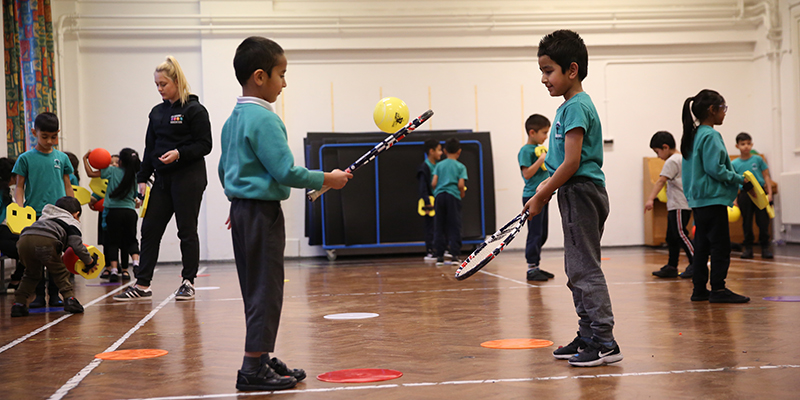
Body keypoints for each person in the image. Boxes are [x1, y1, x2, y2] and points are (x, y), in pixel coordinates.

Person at [218, 36, 351, 391]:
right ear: (260, 77)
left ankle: (260, 357)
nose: (285, 83)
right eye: (282, 74)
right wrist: (329, 178)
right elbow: (286, 172)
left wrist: (238, 201)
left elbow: (223, 169)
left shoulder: (234, 118)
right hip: (260, 215)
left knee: (254, 288)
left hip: (243, 211)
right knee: (267, 289)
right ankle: (251, 369)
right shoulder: (264, 118)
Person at [523, 30, 622, 367]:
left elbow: (572, 162)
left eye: (548, 70)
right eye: (542, 70)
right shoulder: (570, 107)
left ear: (572, 70)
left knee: (585, 270)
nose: (543, 78)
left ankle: (605, 341)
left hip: (581, 192)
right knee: (574, 269)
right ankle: (588, 334)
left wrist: (541, 193)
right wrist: (547, 190)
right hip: (573, 192)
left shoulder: (576, 107)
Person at [114, 56, 212, 301]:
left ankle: (188, 281)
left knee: (186, 230)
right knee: (149, 229)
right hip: (163, 179)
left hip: (189, 178)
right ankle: (143, 284)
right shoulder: (157, 113)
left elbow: (205, 144)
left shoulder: (194, 109)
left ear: (177, 81)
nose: (159, 89)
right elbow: (150, 148)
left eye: (163, 84)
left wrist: (179, 153)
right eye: (156, 84)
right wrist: (142, 178)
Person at [681, 89, 750, 303]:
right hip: (713, 199)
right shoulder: (710, 135)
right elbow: (716, 169)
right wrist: (740, 180)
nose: (724, 113)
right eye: (723, 108)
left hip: (699, 201)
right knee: (720, 247)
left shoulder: (693, 134)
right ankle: (719, 289)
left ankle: (699, 289)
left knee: (702, 246)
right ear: (712, 110)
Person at [12, 112, 75, 308]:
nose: (49, 141)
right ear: (34, 133)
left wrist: (72, 211)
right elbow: (19, 186)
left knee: (57, 256)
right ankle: (38, 296)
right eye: (44, 136)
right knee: (35, 258)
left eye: (53, 136)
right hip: (35, 214)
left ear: (58, 133)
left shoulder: (62, 158)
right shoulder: (25, 158)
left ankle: (55, 294)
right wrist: (20, 208)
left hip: (58, 215)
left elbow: (68, 185)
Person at [10, 197, 96, 317]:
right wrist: (89, 261)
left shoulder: (44, 217)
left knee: (31, 274)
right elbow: (77, 246)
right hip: (45, 241)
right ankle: (69, 299)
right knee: (60, 271)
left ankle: (19, 304)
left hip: (24, 240)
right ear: (76, 214)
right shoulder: (71, 222)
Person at [84, 148, 141, 283]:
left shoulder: (112, 171)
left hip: (114, 212)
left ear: (120, 161)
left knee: (113, 242)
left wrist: (85, 159)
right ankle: (136, 264)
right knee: (131, 239)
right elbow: (134, 196)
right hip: (130, 212)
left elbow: (91, 173)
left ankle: (114, 270)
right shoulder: (133, 174)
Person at [644, 131, 695, 278]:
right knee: (671, 237)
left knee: (680, 235)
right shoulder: (683, 158)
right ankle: (672, 266)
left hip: (680, 204)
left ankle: (696, 263)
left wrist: (650, 199)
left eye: (657, 152)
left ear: (665, 147)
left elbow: (661, 180)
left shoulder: (672, 160)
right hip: (677, 205)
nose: (658, 156)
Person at [519, 114, 554, 281]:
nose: (546, 136)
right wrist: (540, 159)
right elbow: (527, 174)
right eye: (544, 132)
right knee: (535, 233)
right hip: (532, 196)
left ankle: (536, 265)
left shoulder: (543, 149)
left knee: (542, 234)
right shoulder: (525, 151)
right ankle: (531, 267)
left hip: (543, 196)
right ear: (532, 132)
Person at [731, 132, 773, 259]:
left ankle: (765, 247)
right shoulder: (735, 163)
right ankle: (748, 248)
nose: (746, 146)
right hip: (745, 194)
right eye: (743, 144)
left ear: (752, 144)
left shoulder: (758, 159)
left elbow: (766, 175)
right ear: (737, 146)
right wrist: (734, 198)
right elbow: (733, 182)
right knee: (747, 222)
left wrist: (769, 193)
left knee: (763, 221)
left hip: (760, 192)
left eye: (748, 143)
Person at [433, 138, 467, 266]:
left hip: (440, 196)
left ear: (445, 151)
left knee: (439, 225)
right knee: (454, 225)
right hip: (453, 196)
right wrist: (461, 194)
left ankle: (440, 256)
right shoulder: (460, 166)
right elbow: (461, 184)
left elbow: (434, 182)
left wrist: (438, 191)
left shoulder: (439, 165)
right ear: (459, 151)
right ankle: (454, 255)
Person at [0, 157, 25, 292]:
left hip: (6, 230)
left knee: (28, 244)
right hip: (2, 232)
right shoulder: (2, 193)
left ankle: (17, 279)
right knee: (25, 249)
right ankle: (16, 280)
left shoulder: (7, 192)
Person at [418, 139, 443, 261]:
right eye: (439, 150)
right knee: (430, 227)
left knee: (439, 226)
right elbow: (423, 187)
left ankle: (440, 249)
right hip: (430, 202)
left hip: (439, 200)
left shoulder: (439, 166)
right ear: (431, 151)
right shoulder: (425, 167)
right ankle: (430, 251)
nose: (441, 152)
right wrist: (427, 202)